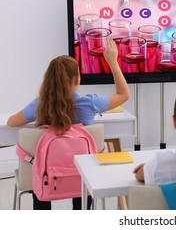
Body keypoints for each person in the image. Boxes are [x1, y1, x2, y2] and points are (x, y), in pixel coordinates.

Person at [7, 38, 130, 210]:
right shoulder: (90, 103)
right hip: (82, 177)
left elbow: (11, 122)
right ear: (77, 79)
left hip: (48, 178)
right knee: (83, 175)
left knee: (40, 176)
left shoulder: (39, 105)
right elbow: (124, 94)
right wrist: (112, 62)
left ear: (49, 80)